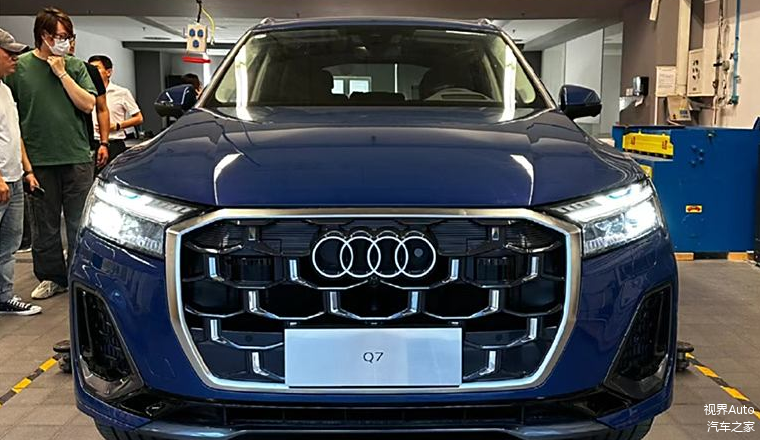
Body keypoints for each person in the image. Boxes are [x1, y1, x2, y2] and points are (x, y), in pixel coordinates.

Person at [4, 7, 97, 300]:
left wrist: (61, 74)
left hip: (77, 157)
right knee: (44, 225)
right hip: (39, 160)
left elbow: (88, 105)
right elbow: (10, 114)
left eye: (69, 36)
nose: (66, 42)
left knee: (79, 223)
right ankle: (51, 277)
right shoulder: (20, 68)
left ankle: (80, 276)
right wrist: (25, 164)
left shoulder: (76, 67)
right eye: (61, 36)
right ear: (44, 36)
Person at [0, 28, 42, 315]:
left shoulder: (5, 89)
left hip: (14, 179)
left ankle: (4, 297)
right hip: (2, 180)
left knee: (9, 243)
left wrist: (27, 170)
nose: (15, 58)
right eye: (9, 53)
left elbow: (14, 134)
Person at [89, 55, 142, 162]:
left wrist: (116, 126)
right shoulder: (86, 92)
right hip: (91, 143)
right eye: (90, 69)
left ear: (108, 72)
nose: (92, 72)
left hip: (114, 143)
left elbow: (139, 118)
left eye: (96, 68)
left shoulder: (121, 92)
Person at [69, 39, 109, 169]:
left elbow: (102, 109)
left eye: (70, 38)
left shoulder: (90, 71)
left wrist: (104, 143)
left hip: (84, 146)